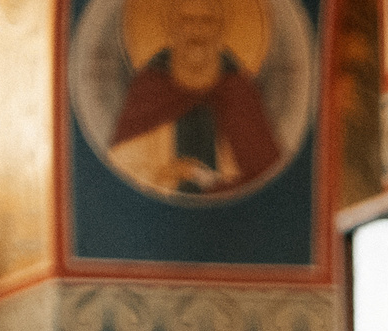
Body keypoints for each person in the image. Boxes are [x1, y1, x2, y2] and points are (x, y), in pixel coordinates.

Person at [109, 0, 283, 195]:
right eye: (186, 21)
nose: (196, 31)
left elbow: (267, 174)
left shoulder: (238, 90)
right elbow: (121, 168)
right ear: (172, 28)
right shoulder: (150, 87)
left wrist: (218, 188)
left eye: (207, 21)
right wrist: (166, 175)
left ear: (220, 29)